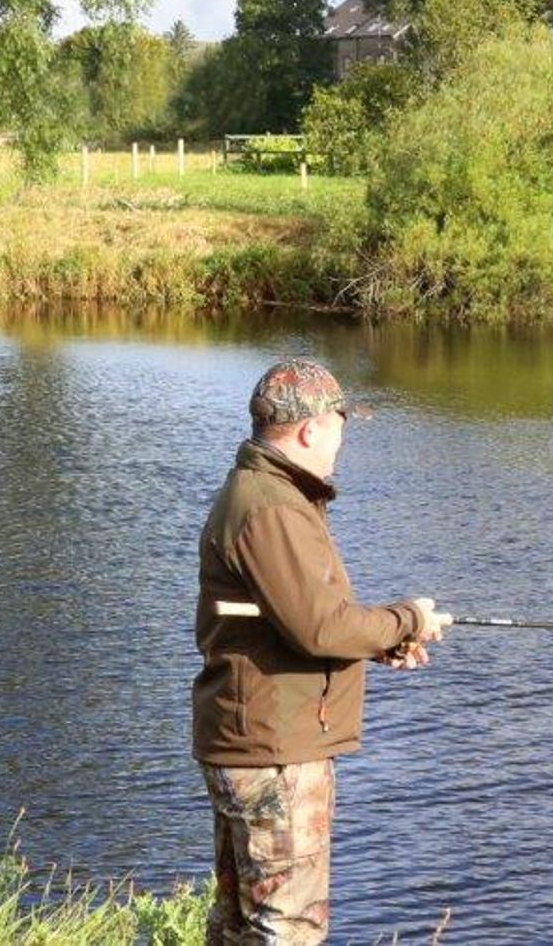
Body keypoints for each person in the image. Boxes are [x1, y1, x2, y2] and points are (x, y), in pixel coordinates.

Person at [191, 358, 453, 943]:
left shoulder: (268, 495)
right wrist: (408, 617)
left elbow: (293, 623)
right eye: (340, 424)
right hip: (274, 750)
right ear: (310, 429)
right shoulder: (273, 507)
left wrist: (383, 642)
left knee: (239, 925)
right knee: (288, 926)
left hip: (257, 737)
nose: (342, 438)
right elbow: (318, 628)